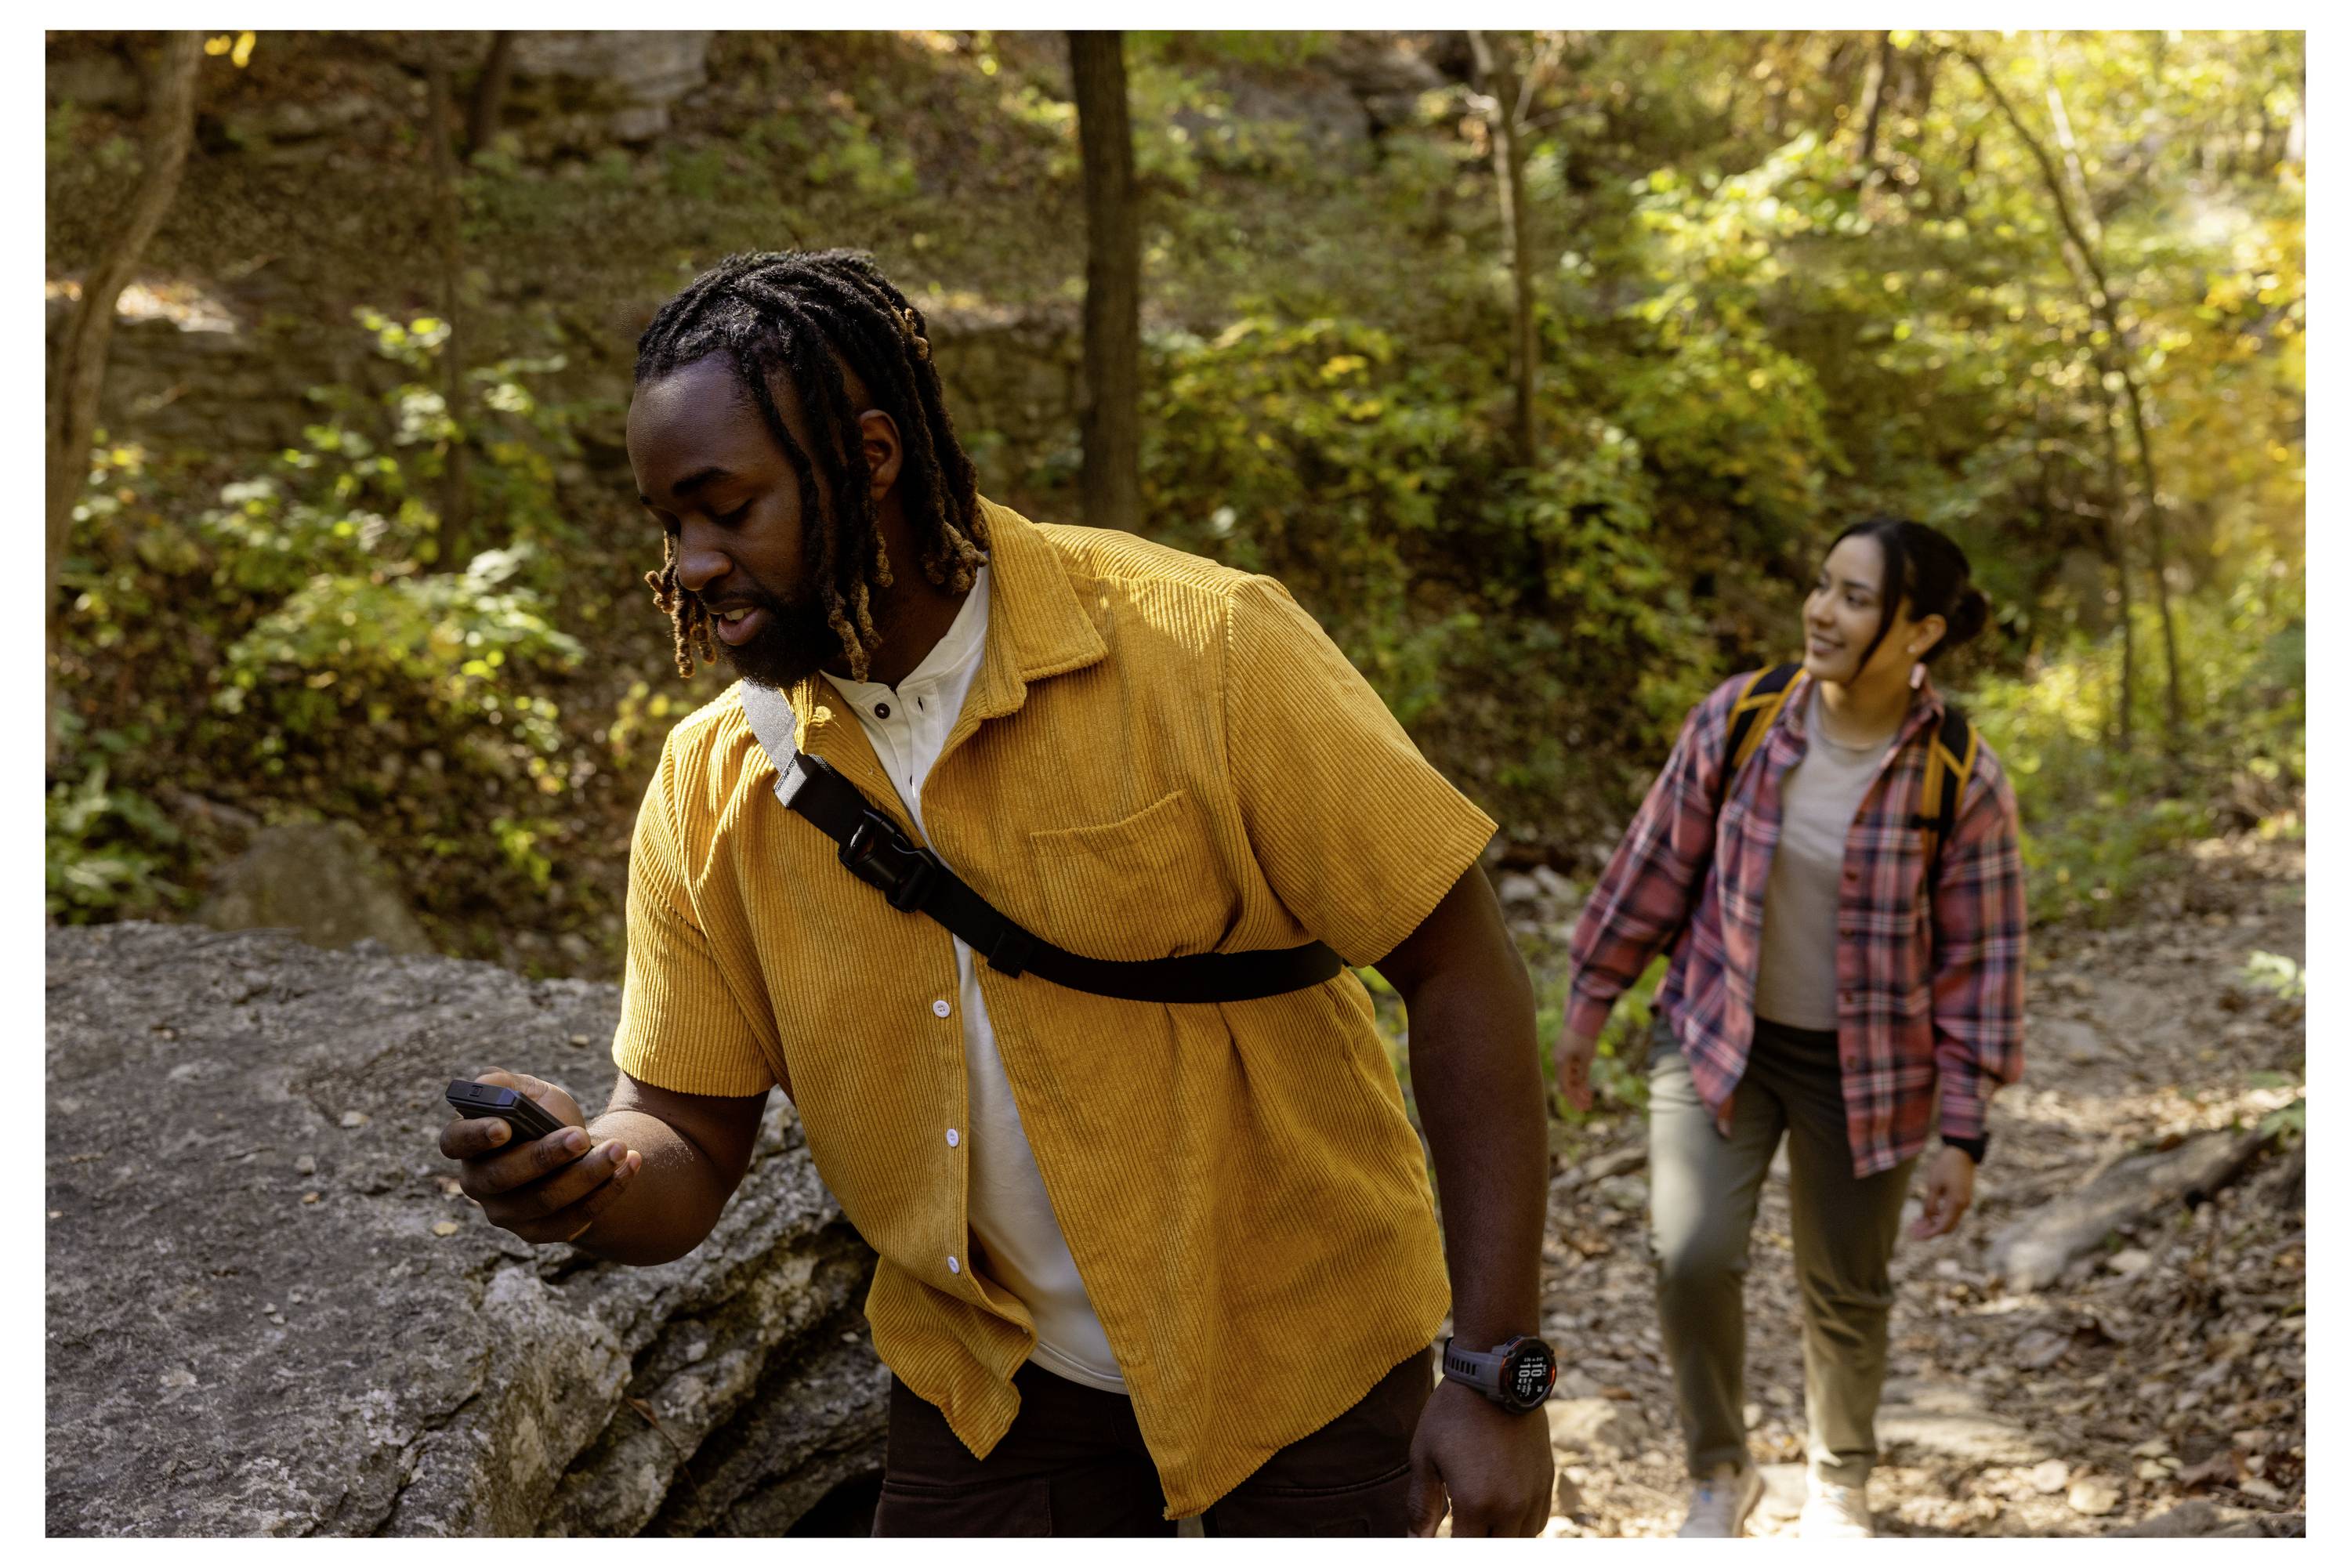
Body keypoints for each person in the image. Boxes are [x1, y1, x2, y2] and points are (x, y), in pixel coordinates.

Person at [434, 249, 1557, 1537]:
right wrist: (581, 1171)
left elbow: (1460, 963)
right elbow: (682, 1145)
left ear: (868, 457)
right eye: (667, 521)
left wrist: (1496, 1371)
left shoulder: (1207, 650)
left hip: (1303, 1358)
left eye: (725, 507)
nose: (689, 561)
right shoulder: (715, 789)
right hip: (991, 1391)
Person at [1554, 519, 2026, 1537]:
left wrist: (1964, 1131)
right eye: (1823, 586)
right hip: (1716, 1032)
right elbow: (1655, 863)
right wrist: (1590, 1004)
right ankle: (1720, 1472)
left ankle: (1840, 1488)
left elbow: (1979, 964)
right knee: (1689, 1251)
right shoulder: (1744, 718)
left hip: (1869, 1068)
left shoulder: (1960, 776)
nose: (1821, 610)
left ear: (1920, 632)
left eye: (1856, 598)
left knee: (1845, 1288)